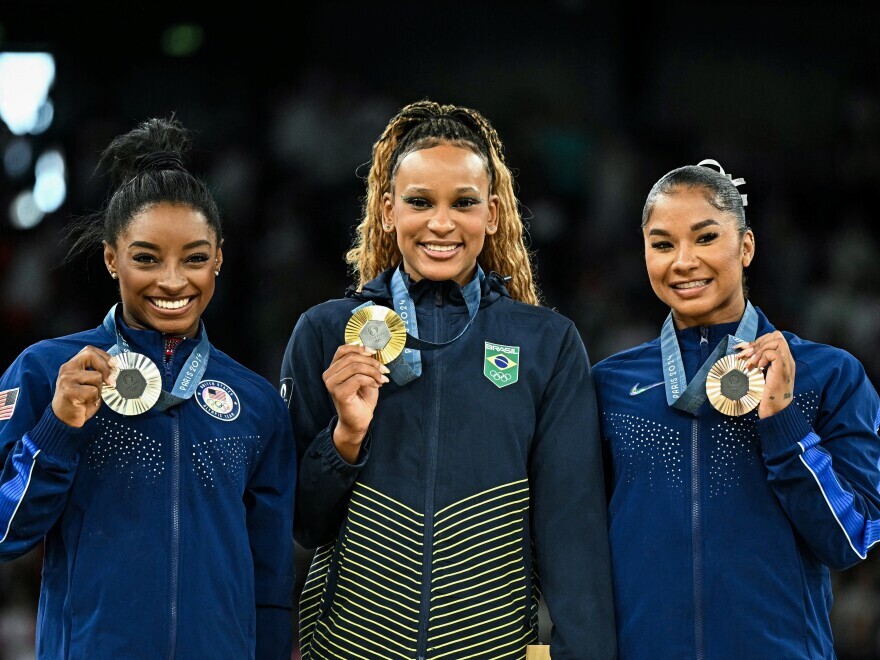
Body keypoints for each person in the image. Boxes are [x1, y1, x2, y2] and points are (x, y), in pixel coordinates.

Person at [280, 99, 616, 659]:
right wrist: (343, 440)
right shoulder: (326, 333)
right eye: (419, 202)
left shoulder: (547, 344)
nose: (441, 223)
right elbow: (299, 524)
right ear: (388, 211)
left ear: (492, 211)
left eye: (463, 203)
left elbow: (572, 535)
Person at [0, 116, 297, 659]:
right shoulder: (46, 373)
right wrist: (57, 429)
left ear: (219, 259)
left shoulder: (255, 402)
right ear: (112, 257)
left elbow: (271, 580)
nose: (172, 281)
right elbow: (4, 533)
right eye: (146, 258)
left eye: (195, 259)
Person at [592, 158, 880, 658]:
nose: (683, 261)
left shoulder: (830, 375)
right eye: (662, 244)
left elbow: (854, 539)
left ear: (745, 247)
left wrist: (785, 425)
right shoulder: (609, 385)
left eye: (706, 238)